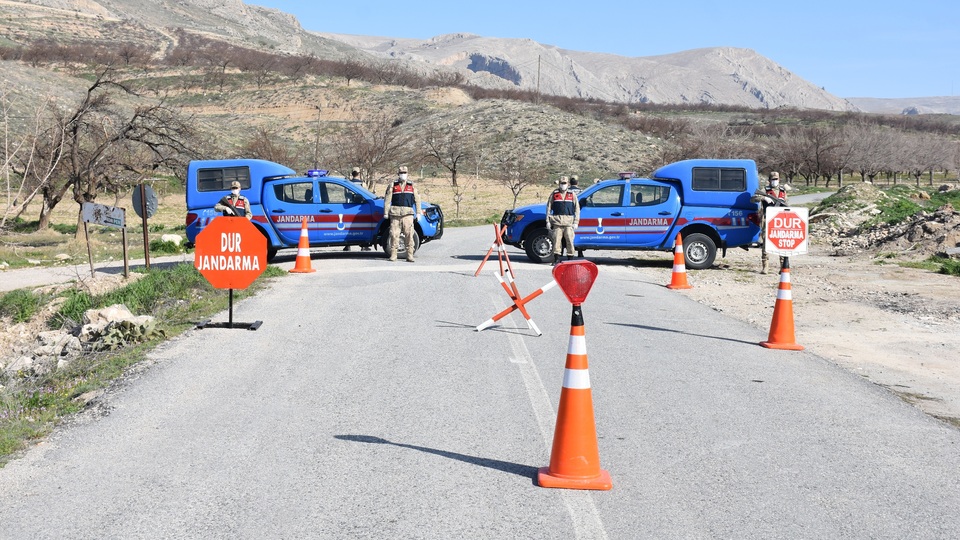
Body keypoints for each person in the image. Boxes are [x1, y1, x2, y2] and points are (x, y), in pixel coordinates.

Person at [383, 165, 421, 262]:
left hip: (408, 215)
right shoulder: (393, 185)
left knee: (409, 235)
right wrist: (386, 212)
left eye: (405, 173)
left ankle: (410, 255)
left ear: (407, 174)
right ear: (398, 174)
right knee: (394, 235)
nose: (403, 175)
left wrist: (419, 212)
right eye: (401, 173)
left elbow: (417, 200)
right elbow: (387, 199)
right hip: (395, 215)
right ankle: (393, 255)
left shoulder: (412, 185)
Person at [545, 176, 580, 265]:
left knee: (569, 240)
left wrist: (576, 222)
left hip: (569, 222)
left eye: (564, 183)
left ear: (568, 184)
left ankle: (570, 258)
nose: (563, 185)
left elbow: (577, 209)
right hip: (557, 222)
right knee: (556, 241)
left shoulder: (572, 194)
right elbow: (548, 207)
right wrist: (547, 221)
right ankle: (556, 259)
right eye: (561, 183)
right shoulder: (554, 194)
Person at [759, 171, 788, 274]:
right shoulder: (765, 190)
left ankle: (782, 266)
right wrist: (764, 198)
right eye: (773, 179)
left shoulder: (783, 191)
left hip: (780, 220)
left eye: (776, 179)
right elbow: (753, 198)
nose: (775, 181)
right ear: (769, 180)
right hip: (768, 219)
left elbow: (787, 203)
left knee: (781, 242)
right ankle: (765, 267)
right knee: (766, 243)